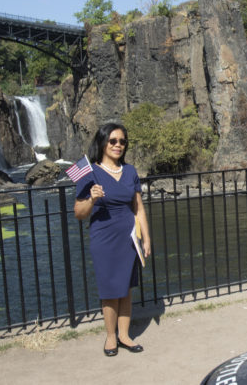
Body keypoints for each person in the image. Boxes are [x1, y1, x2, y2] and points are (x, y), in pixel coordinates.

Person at [74, 123, 151, 357]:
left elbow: (138, 208)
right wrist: (92, 199)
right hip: (104, 240)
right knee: (109, 290)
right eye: (113, 141)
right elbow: (79, 212)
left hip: (129, 239)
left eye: (122, 141)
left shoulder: (130, 171)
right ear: (103, 143)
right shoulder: (89, 172)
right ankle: (110, 337)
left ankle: (125, 335)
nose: (118, 145)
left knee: (126, 288)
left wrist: (146, 238)